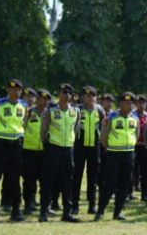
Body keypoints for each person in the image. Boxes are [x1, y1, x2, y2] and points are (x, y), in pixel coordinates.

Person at [0, 79, 27, 223]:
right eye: (14, 89)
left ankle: (15, 211)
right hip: (0, 144)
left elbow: (23, 124)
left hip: (16, 145)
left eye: (19, 90)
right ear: (7, 90)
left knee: (14, 179)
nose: (17, 92)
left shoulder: (24, 105)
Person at [38, 84, 80, 223]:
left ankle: (66, 212)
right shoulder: (50, 111)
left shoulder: (76, 111)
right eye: (64, 92)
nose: (67, 94)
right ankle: (44, 212)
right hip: (54, 149)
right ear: (58, 93)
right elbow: (43, 131)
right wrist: (47, 146)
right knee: (48, 181)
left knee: (67, 182)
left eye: (70, 92)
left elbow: (76, 129)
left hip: (68, 150)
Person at [96, 92, 139, 221]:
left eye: (132, 103)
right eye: (127, 103)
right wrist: (110, 148)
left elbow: (136, 135)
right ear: (120, 104)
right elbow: (103, 137)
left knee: (124, 184)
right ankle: (100, 210)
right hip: (114, 154)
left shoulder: (134, 118)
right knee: (110, 183)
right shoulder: (111, 118)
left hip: (129, 154)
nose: (130, 105)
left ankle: (118, 211)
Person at [72, 86, 104, 216]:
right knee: (77, 176)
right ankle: (74, 205)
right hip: (80, 146)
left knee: (93, 177)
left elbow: (102, 128)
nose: (90, 98)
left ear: (95, 98)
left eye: (92, 96)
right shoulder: (78, 109)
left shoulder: (100, 110)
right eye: (87, 96)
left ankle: (92, 205)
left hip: (94, 147)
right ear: (83, 97)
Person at [21, 89, 50, 214]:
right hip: (29, 151)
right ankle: (28, 204)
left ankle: (45, 206)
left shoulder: (50, 113)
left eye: (47, 99)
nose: (44, 101)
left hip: (44, 152)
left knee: (45, 180)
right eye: (42, 98)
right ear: (37, 99)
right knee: (29, 180)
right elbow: (21, 127)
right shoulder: (28, 112)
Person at [133, 95, 147, 199]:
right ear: (136, 104)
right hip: (134, 146)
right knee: (132, 170)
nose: (142, 105)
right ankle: (129, 192)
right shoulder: (132, 115)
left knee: (145, 171)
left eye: (144, 103)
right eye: (140, 103)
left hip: (144, 147)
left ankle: (144, 194)